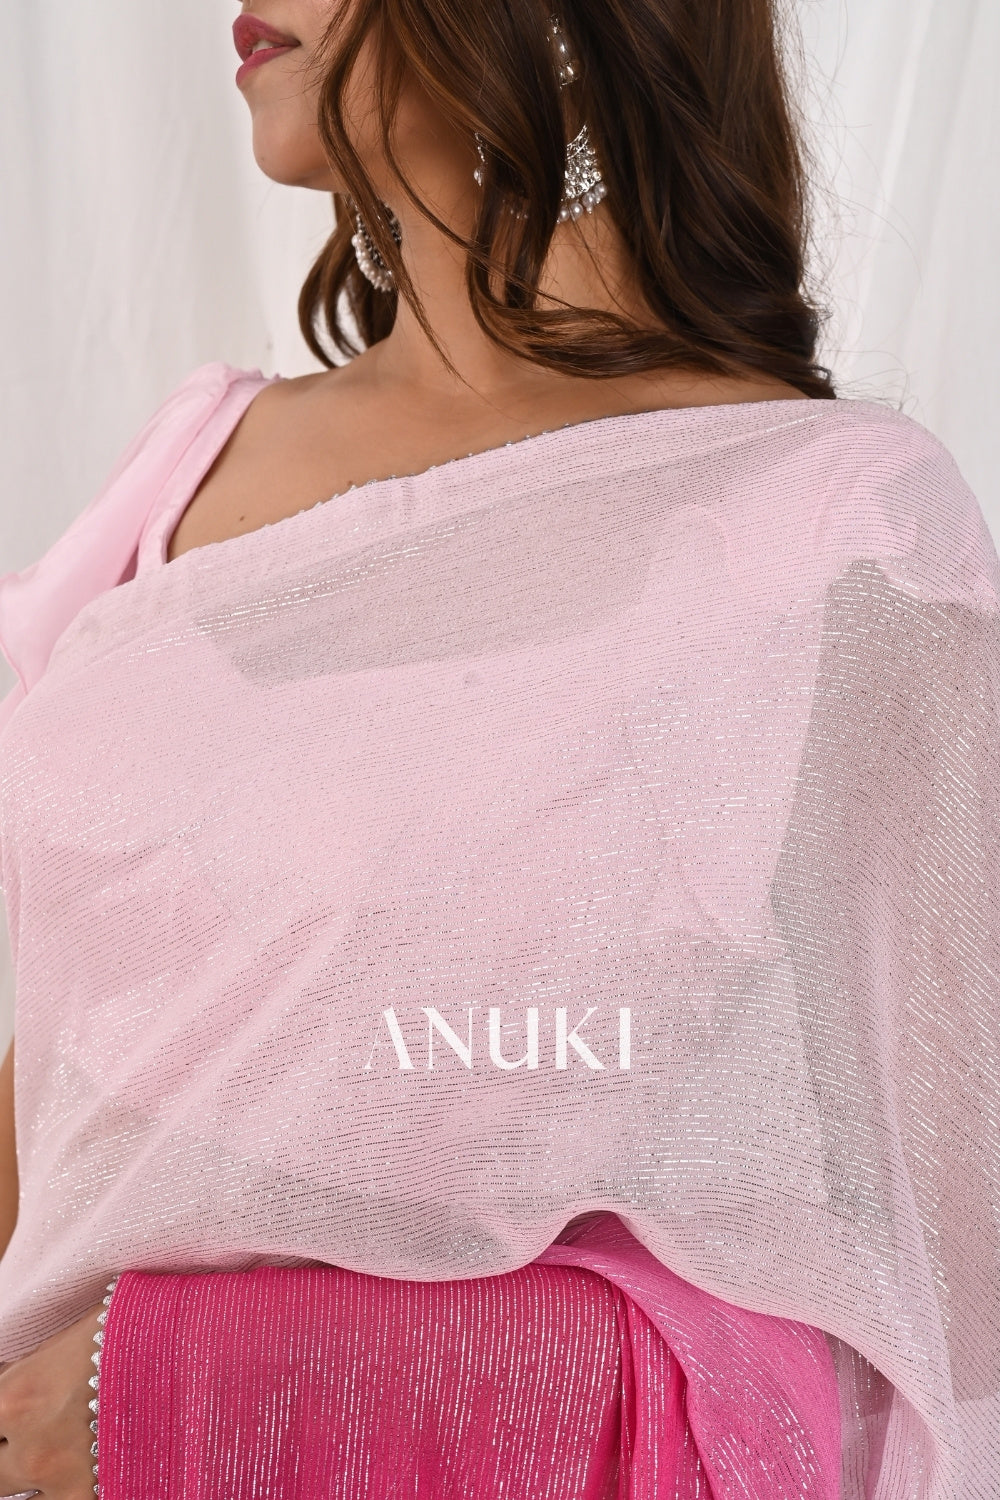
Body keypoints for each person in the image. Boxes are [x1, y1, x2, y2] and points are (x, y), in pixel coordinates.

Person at [0, 1, 997, 1497]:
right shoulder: (191, 459)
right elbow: (83, 1047)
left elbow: (909, 1271)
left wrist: (172, 1393)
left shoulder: (827, 529)